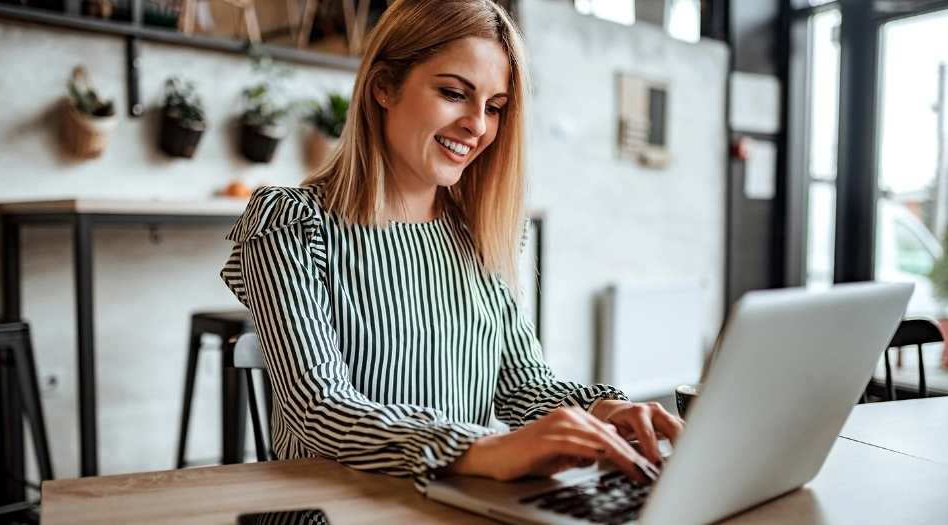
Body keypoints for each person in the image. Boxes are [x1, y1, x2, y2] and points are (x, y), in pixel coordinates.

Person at [221, 0, 683, 494]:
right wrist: (478, 450)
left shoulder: (476, 233)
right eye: (453, 93)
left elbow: (523, 385)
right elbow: (320, 409)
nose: (478, 125)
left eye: (495, 107)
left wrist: (603, 409)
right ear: (383, 86)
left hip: (455, 506)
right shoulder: (292, 223)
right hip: (338, 507)